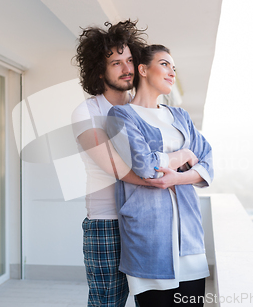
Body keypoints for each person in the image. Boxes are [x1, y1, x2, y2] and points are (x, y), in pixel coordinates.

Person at [71, 21, 196, 306]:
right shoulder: (87, 112)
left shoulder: (144, 110)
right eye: (116, 63)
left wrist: (173, 172)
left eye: (129, 60)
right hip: (107, 223)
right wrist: (170, 175)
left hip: (149, 221)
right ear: (99, 70)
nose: (126, 68)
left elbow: (188, 155)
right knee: (107, 302)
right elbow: (121, 170)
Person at [106, 44, 214, 307]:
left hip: (189, 236)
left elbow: (208, 162)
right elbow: (144, 166)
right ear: (142, 69)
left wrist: (176, 178)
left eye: (173, 68)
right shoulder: (121, 116)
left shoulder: (180, 116)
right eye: (165, 64)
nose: (172, 72)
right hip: (149, 236)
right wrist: (184, 155)